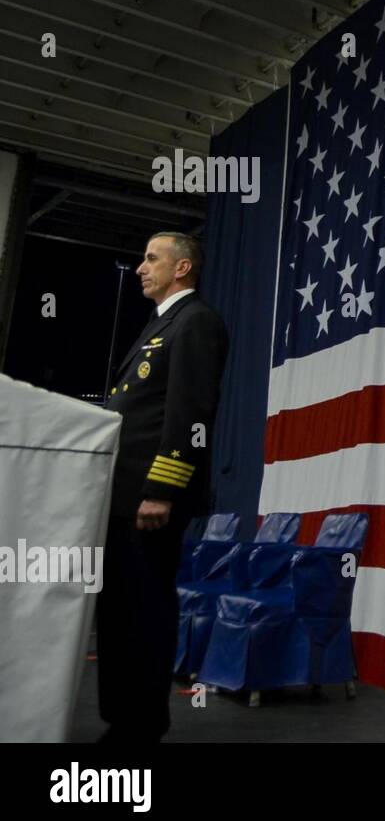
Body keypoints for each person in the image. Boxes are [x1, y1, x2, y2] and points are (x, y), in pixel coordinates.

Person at [98, 232, 228, 742]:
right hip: (122, 496)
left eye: (152, 258)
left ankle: (141, 723)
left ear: (182, 268)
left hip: (147, 500)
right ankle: (121, 717)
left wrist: (162, 491)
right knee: (119, 613)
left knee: (144, 614)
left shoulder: (196, 321)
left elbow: (189, 414)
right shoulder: (160, 325)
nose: (139, 267)